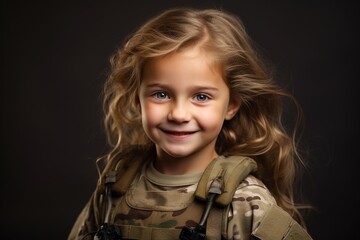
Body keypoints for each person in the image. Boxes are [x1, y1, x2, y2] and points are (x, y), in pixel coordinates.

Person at [68, 7, 312, 240]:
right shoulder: (113, 189)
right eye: (161, 94)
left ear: (231, 106)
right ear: (137, 101)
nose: (178, 114)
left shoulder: (243, 200)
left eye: (201, 97)